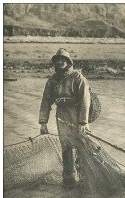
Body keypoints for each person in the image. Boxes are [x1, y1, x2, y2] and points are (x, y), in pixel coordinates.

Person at [39, 48, 91, 189]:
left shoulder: (78, 78)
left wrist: (83, 122)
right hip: (61, 115)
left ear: (68, 62)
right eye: (57, 60)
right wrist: (43, 122)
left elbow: (86, 101)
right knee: (66, 146)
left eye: (63, 59)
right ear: (55, 62)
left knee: (82, 146)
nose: (60, 62)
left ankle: (86, 178)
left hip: (77, 114)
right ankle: (69, 178)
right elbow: (46, 101)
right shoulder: (52, 80)